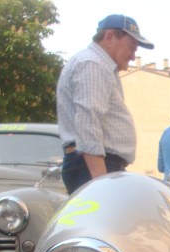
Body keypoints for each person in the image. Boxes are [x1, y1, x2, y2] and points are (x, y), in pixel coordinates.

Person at [56, 14, 154, 194]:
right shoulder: (93, 64)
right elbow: (88, 123)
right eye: (131, 47)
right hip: (93, 167)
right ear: (109, 37)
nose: (133, 56)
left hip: (94, 166)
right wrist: (102, 185)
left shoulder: (98, 65)